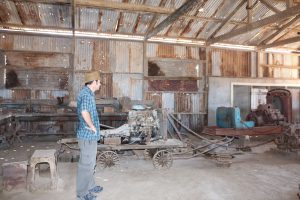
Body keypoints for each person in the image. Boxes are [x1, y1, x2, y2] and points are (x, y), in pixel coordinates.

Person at [76, 71, 103, 200]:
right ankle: (82, 193)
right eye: (99, 82)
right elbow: (84, 111)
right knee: (86, 165)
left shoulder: (87, 93)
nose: (100, 84)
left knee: (91, 163)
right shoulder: (87, 95)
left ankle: (90, 186)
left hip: (90, 136)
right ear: (94, 82)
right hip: (87, 136)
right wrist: (92, 126)